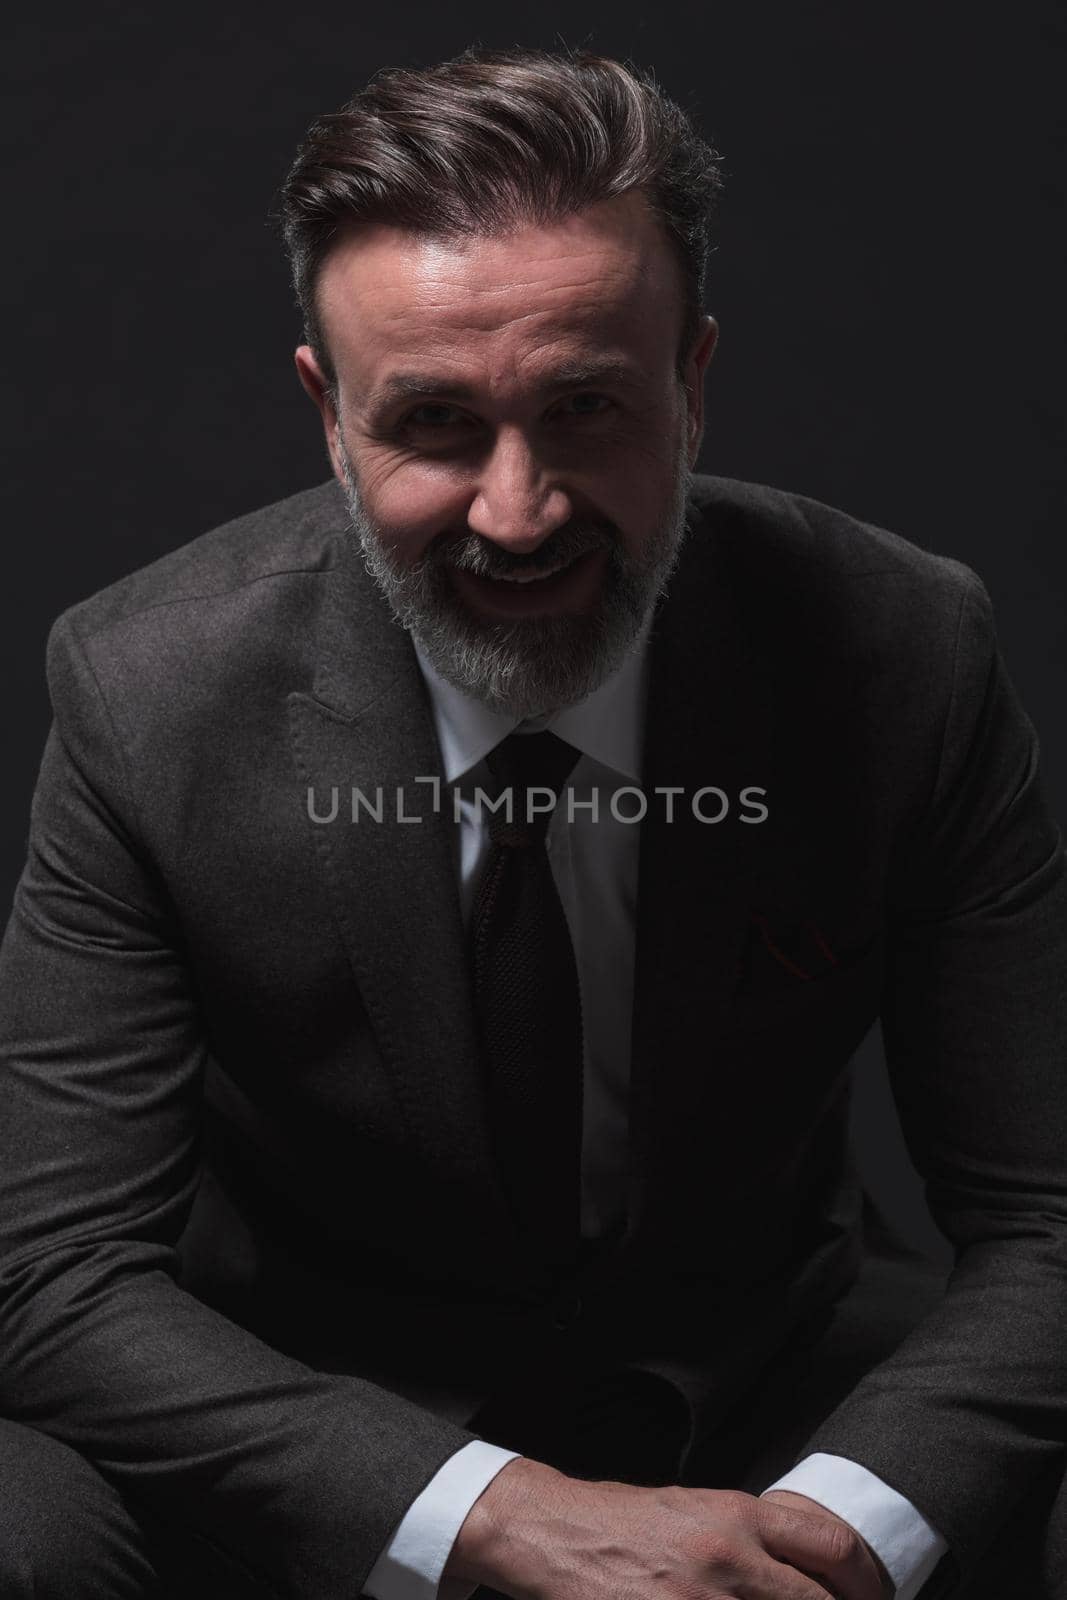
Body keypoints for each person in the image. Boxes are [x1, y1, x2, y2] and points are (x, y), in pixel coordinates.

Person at [0, 41, 1064, 1600]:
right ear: (327, 411)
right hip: (314, 1408)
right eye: (432, 424)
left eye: (585, 408)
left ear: (693, 384)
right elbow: (49, 1270)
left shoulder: (902, 648)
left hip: (770, 1385)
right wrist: (487, 1513)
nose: (520, 509)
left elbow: (1050, 1213)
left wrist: (828, 1537)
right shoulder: (145, 689)